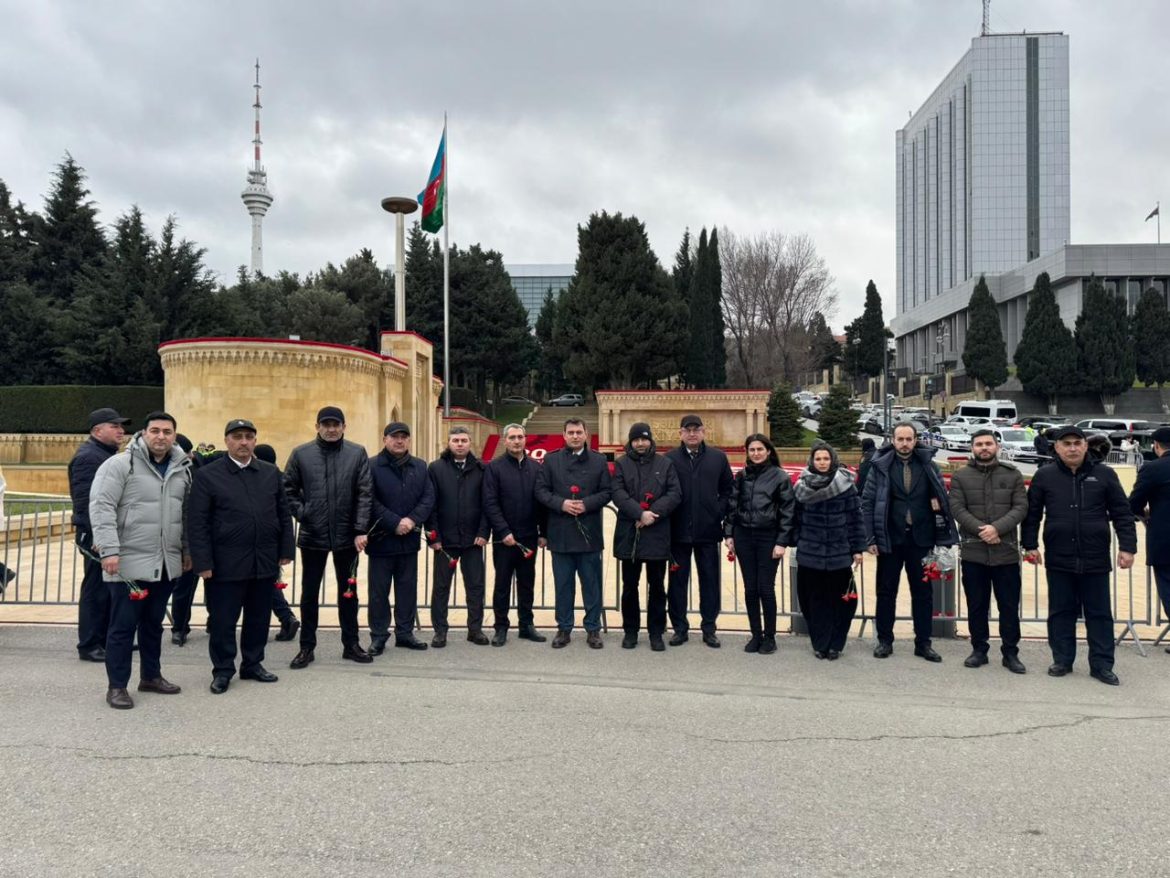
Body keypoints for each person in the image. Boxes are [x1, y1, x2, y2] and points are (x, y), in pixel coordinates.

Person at [89, 412, 192, 710]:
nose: (161, 436)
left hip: (165, 562)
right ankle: (117, 686)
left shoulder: (182, 469)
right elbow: (102, 506)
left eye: (167, 432)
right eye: (155, 430)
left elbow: (185, 515)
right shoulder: (120, 464)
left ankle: (151, 676)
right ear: (144, 434)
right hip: (128, 562)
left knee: (153, 624)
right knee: (122, 627)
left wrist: (186, 551)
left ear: (174, 436)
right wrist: (109, 549)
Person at [1022, 426, 1137, 685]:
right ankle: (1062, 660)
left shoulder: (1105, 474)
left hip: (1095, 555)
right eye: (1067, 444)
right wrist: (1029, 545)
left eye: (1077, 443)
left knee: (1099, 613)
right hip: (1059, 555)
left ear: (1085, 446)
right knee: (1061, 611)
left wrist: (1128, 547)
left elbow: (1122, 513)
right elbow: (1032, 514)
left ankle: (1102, 664)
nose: (1072, 448)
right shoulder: (1045, 475)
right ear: (1057, 448)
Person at [187, 420, 295, 694]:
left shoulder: (270, 473)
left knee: (258, 617)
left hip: (263, 560)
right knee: (223, 621)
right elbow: (197, 522)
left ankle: (252, 663)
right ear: (227, 441)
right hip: (225, 563)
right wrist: (203, 562)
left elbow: (283, 513)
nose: (243, 442)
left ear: (255, 441)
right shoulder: (208, 475)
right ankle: (223, 669)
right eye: (237, 437)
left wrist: (286, 549)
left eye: (248, 437)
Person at [283, 406, 374, 669]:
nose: (331, 429)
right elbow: (288, 489)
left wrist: (360, 529)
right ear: (317, 427)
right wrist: (304, 513)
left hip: (346, 535)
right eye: (326, 424)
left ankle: (351, 644)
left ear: (344, 427)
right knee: (309, 593)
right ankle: (306, 647)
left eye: (336, 425)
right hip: (313, 534)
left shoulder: (356, 453)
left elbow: (365, 493)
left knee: (349, 593)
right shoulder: (301, 454)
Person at [861, 422, 958, 662]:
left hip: (921, 539)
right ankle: (885, 641)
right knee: (886, 592)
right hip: (890, 539)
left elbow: (941, 499)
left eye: (909, 439)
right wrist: (870, 537)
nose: (904, 443)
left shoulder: (928, 465)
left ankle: (923, 643)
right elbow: (868, 503)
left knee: (923, 593)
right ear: (893, 440)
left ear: (915, 440)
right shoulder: (880, 466)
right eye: (900, 439)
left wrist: (943, 536)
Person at [947, 429, 1028, 674]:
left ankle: (1010, 653)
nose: (984, 448)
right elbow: (957, 508)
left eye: (988, 443)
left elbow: (1020, 507)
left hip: (1005, 552)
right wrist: (983, 531)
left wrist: (997, 529)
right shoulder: (961, 476)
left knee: (1009, 607)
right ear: (972, 448)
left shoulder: (1012, 474)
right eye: (979, 444)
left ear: (997, 446)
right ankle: (979, 650)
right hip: (974, 552)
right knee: (977, 605)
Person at [535, 418, 612, 649]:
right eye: (571, 432)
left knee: (592, 585)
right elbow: (541, 490)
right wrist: (562, 504)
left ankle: (593, 629)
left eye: (579, 432)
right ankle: (564, 628)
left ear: (586, 434)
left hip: (589, 533)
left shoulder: (599, 460)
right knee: (563, 585)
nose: (575, 436)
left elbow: (607, 492)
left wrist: (586, 504)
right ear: (564, 435)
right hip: (560, 533)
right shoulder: (551, 460)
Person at [791, 441, 865, 660]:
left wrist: (857, 548)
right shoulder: (801, 486)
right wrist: (799, 540)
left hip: (839, 553)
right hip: (810, 554)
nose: (822, 462)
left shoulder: (845, 485)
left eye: (826, 458)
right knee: (812, 601)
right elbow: (795, 518)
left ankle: (836, 643)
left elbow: (855, 518)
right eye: (818, 459)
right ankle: (820, 642)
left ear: (832, 460)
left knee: (842, 601)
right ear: (812, 461)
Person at [611, 423, 681, 651]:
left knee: (657, 587)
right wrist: (639, 513)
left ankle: (656, 632)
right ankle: (630, 631)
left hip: (657, 534)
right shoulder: (621, 463)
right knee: (630, 586)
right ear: (630, 442)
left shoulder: (665, 463)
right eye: (636, 440)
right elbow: (618, 493)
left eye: (644, 439)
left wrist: (653, 514)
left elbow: (674, 493)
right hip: (630, 534)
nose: (640, 444)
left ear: (650, 440)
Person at [666, 414, 734, 648]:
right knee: (677, 583)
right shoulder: (670, 459)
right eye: (688, 430)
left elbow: (728, 489)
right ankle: (679, 628)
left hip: (708, 531)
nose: (692, 433)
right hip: (678, 532)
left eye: (696, 429)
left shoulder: (717, 458)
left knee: (709, 581)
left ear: (704, 432)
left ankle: (709, 628)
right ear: (681, 433)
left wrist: (718, 510)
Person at [366, 422, 434, 654]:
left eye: (404, 437)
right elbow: (369, 499)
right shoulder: (372, 466)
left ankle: (405, 633)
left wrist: (412, 520)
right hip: (381, 540)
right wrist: (394, 522)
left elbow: (428, 497)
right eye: (394, 436)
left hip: (408, 541)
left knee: (407, 590)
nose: (399, 441)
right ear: (385, 439)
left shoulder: (420, 466)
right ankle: (378, 636)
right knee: (379, 593)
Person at [69, 407, 130, 662]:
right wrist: (99, 537)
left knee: (107, 589)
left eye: (121, 426)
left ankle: (104, 639)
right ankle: (90, 644)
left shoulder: (103, 455)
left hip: (101, 534)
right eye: (114, 426)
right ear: (97, 430)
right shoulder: (89, 457)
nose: (121, 431)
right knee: (96, 591)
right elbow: (86, 502)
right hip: (94, 535)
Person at [724, 434, 795, 655]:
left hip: (768, 537)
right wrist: (729, 534)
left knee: (765, 588)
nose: (756, 453)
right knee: (750, 588)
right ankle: (756, 634)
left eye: (760, 449)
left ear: (768, 451)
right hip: (744, 536)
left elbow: (788, 511)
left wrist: (782, 541)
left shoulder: (780, 477)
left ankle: (770, 636)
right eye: (752, 450)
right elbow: (732, 506)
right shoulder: (742, 476)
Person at [483, 423, 547, 646]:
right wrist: (503, 531)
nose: (517, 441)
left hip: (528, 536)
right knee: (502, 584)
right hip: (504, 539)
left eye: (520, 437)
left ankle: (526, 625)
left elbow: (542, 502)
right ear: (505, 440)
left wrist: (543, 532)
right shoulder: (494, 468)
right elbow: (490, 502)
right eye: (512, 437)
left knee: (527, 583)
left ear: (525, 439)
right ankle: (501, 627)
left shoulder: (536, 468)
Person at [426, 425, 491, 647]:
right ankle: (440, 631)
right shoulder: (436, 469)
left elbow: (487, 504)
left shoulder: (481, 469)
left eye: (464, 440)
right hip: (445, 541)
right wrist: (433, 537)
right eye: (456, 440)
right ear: (449, 443)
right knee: (441, 587)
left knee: (475, 587)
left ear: (470, 443)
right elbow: (431, 505)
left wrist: (483, 532)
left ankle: (475, 630)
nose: (460, 444)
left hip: (473, 540)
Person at [1129, 425, 1170, 653]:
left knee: (1168, 585)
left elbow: (1134, 503)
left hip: (1165, 538)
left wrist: (1143, 514)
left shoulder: (1153, 469)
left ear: (1156, 446)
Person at [254, 443, 300, 641]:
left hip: (262, 541)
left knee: (264, 584)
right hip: (275, 540)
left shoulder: (262, 478)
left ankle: (285, 618)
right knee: (268, 582)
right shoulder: (279, 477)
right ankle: (286, 618)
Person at [168, 434, 201, 647]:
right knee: (183, 587)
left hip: (202, 535)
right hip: (184, 537)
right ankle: (179, 627)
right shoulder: (172, 471)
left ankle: (214, 623)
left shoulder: (198, 470)